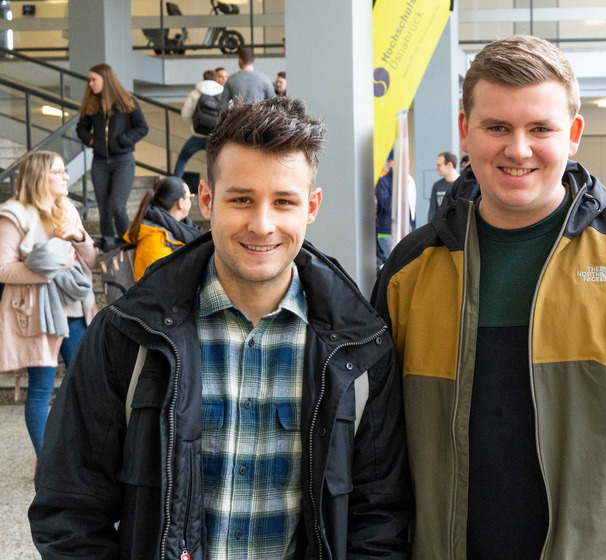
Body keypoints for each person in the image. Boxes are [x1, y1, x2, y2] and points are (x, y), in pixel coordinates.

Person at [372, 34, 606, 559]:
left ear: (572, 134)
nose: (518, 148)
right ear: (465, 131)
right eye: (497, 127)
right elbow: (378, 465)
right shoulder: (410, 271)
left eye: (540, 128)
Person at [30, 97, 412, 558]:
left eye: (284, 201)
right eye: (242, 199)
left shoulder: (360, 349)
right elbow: (69, 509)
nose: (262, 224)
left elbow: (381, 517)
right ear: (207, 200)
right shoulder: (127, 335)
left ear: (310, 207)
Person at [0, 151, 97, 461]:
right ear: (41, 176)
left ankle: (78, 456)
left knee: (85, 382)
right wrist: (46, 269)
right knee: (42, 389)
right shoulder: (14, 213)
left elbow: (92, 260)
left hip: (74, 308)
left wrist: (80, 237)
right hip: (36, 312)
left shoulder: (67, 208)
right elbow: (2, 268)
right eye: (60, 171)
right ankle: (47, 465)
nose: (67, 177)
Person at [77, 63, 149, 251]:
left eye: (94, 79)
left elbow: (142, 127)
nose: (90, 84)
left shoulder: (127, 102)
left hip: (123, 161)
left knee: (118, 205)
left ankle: (126, 242)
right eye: (89, 80)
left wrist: (123, 140)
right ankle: (108, 242)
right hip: (100, 162)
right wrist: (93, 142)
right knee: (104, 207)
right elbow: (81, 129)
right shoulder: (92, 104)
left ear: (105, 79)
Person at [123, 176, 203, 280]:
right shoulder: (155, 238)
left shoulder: (180, 228)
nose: (191, 201)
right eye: (190, 198)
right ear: (180, 203)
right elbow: (165, 282)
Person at [174, 69, 224, 178]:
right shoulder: (223, 92)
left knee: (183, 158)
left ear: (203, 78)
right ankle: (215, 189)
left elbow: (185, 114)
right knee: (217, 164)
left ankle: (176, 185)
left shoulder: (194, 93)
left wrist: (193, 127)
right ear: (216, 79)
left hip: (197, 135)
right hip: (214, 136)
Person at [375, 151, 394, 266]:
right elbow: (387, 205)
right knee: (391, 264)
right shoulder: (383, 181)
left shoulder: (407, 181)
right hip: (386, 231)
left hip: (403, 230)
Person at [428, 151, 459, 221]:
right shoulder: (437, 186)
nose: (436, 168)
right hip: (440, 229)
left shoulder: (464, 184)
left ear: (449, 165)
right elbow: (432, 211)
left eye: (439, 165)